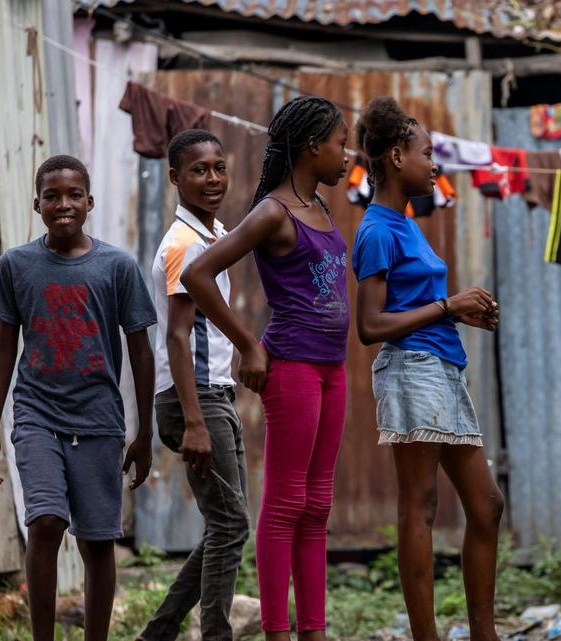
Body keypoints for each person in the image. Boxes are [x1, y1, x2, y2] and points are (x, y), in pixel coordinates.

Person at [181, 96, 350, 641]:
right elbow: (199, 274)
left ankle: (314, 630)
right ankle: (278, 630)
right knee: (285, 504)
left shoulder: (321, 208)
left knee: (318, 502)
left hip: (333, 368)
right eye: (340, 142)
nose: (347, 154)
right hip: (294, 366)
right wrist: (248, 345)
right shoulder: (273, 211)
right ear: (311, 146)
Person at [0, 155, 156, 641]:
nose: (63, 204)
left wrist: (145, 433)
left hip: (99, 419)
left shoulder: (117, 266)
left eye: (74, 194)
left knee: (98, 543)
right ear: (36, 204)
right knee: (47, 521)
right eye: (52, 196)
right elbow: (4, 349)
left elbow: (141, 351)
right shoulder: (16, 264)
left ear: (90, 202)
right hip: (36, 413)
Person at [351, 96, 503, 641]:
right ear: (395, 157)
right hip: (411, 368)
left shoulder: (405, 221)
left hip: (441, 365)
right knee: (421, 505)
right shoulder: (377, 230)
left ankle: (484, 633)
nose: (434, 164)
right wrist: (449, 307)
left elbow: (413, 306)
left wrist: (461, 315)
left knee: (486, 506)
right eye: (425, 153)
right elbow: (370, 326)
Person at [140, 129, 249, 641]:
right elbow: (178, 337)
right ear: (175, 178)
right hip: (196, 399)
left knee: (227, 524)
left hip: (211, 394)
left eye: (218, 168)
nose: (212, 179)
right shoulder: (183, 244)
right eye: (199, 170)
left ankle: (158, 632)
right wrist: (197, 423)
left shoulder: (210, 234)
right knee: (230, 526)